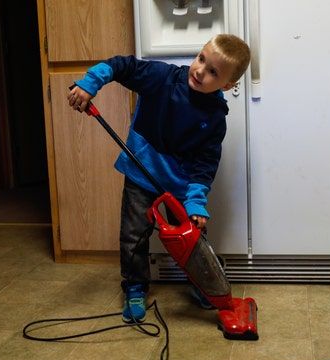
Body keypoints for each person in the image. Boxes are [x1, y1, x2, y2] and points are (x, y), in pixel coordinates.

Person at [67, 34, 250, 323]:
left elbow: (205, 164)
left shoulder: (215, 118)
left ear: (228, 86)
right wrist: (91, 83)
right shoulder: (162, 77)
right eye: (201, 59)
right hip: (142, 171)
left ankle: (205, 286)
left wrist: (196, 204)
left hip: (180, 183)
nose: (200, 71)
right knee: (134, 233)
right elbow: (120, 66)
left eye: (213, 71)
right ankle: (135, 287)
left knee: (192, 239)